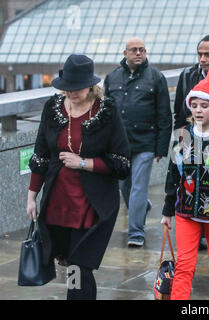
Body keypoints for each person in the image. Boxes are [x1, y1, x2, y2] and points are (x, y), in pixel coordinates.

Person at [26, 54, 131, 300]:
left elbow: (122, 163)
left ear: (91, 85)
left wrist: (84, 163)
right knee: (73, 265)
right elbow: (40, 153)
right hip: (58, 203)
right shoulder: (52, 108)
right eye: (67, 88)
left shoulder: (106, 111)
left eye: (76, 88)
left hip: (91, 205)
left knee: (80, 265)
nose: (71, 93)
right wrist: (32, 196)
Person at [161, 59, 209, 300]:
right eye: (194, 105)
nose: (199, 110)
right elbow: (173, 175)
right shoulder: (180, 136)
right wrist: (166, 211)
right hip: (185, 211)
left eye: (204, 105)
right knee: (184, 266)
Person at [104, 37, 172, 247]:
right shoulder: (112, 77)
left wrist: (160, 147)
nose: (139, 53)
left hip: (145, 142)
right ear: (125, 53)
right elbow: (105, 112)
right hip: (120, 144)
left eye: (142, 50)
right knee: (125, 185)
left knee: (138, 187)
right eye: (134, 50)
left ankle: (136, 233)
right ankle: (143, 205)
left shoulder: (155, 77)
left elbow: (164, 115)